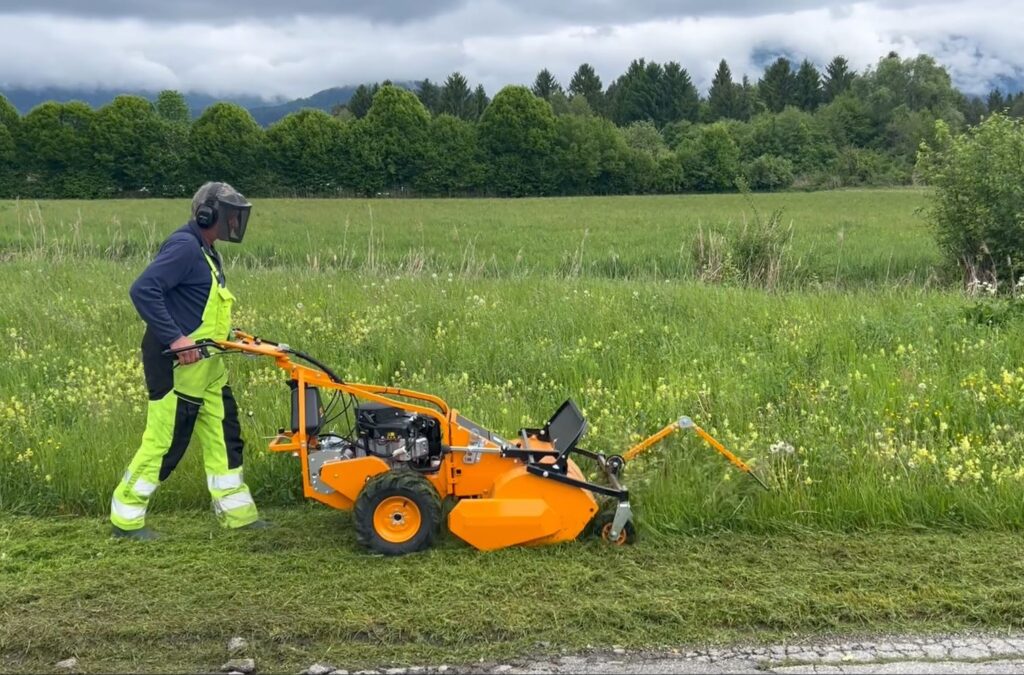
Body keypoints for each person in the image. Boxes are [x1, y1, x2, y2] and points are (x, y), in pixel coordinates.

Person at [110, 181, 267, 540]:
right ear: (207, 213)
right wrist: (177, 338)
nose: (235, 223)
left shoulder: (207, 251)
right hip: (177, 367)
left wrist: (231, 333)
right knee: (163, 444)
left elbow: (196, 304)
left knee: (226, 439)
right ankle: (126, 519)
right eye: (230, 215)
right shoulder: (184, 247)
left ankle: (238, 516)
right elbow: (143, 290)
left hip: (209, 368)